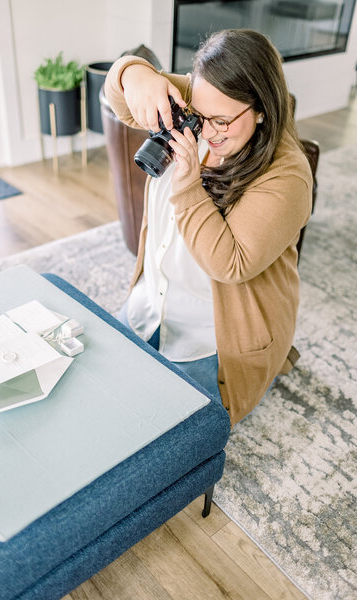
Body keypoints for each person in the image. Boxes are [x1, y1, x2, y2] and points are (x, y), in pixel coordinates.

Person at [104, 29, 313, 427]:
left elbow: (229, 263)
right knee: (89, 388)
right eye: (202, 117)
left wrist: (186, 183)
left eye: (222, 121)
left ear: (261, 109)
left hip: (215, 341)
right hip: (151, 307)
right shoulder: (204, 99)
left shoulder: (287, 176)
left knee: (146, 435)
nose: (210, 131)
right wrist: (135, 74)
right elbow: (122, 99)